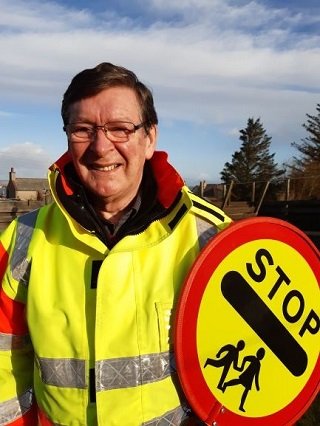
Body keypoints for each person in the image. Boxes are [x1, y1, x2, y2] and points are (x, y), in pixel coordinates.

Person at [0, 62, 232, 425]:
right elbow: (4, 363)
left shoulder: (211, 237)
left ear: (150, 137)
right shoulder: (21, 239)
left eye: (120, 129)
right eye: (83, 130)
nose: (100, 146)